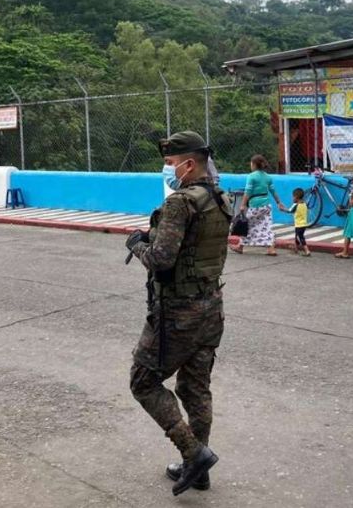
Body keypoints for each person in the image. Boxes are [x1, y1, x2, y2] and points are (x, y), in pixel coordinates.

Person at [124, 131, 231, 497]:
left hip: (178, 314)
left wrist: (138, 244)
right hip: (210, 308)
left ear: (188, 164)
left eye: (171, 164)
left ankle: (194, 454)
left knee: (143, 381)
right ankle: (196, 471)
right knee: (194, 387)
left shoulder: (179, 203)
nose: (169, 170)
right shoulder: (219, 197)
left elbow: (161, 259)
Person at [230, 154, 287, 256]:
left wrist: (242, 205)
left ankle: (240, 246)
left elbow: (247, 192)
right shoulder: (267, 177)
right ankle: (271, 249)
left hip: (255, 205)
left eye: (251, 164)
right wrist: (279, 202)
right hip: (266, 205)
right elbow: (273, 191)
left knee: (246, 225)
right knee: (267, 226)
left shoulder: (251, 177)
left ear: (254, 165)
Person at [288, 188, 311, 256]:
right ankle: (295, 248)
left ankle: (307, 250)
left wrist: (282, 208)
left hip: (299, 225)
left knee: (300, 237)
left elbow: (289, 211)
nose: (292, 198)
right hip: (304, 224)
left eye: (293, 197)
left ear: (296, 197)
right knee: (297, 236)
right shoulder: (304, 204)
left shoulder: (296, 205)